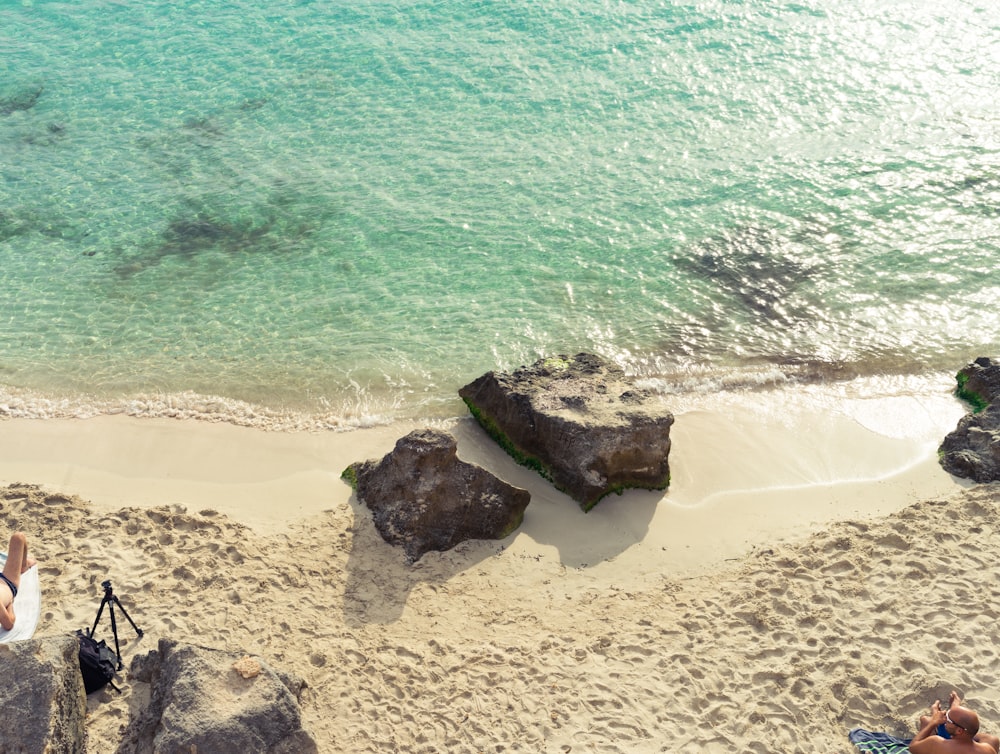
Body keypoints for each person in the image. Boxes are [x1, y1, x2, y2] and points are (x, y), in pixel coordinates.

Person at [910, 690, 1000, 753]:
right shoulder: (988, 750)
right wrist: (955, 708)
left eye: (948, 719)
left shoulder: (937, 743)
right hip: (965, 740)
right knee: (993, 740)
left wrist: (933, 722)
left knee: (925, 720)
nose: (945, 719)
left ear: (959, 731)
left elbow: (913, 747)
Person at [0, 532, 36, 631]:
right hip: (8, 582)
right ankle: (23, 565)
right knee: (18, 538)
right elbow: (9, 624)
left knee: (18, 537)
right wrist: (10, 604)